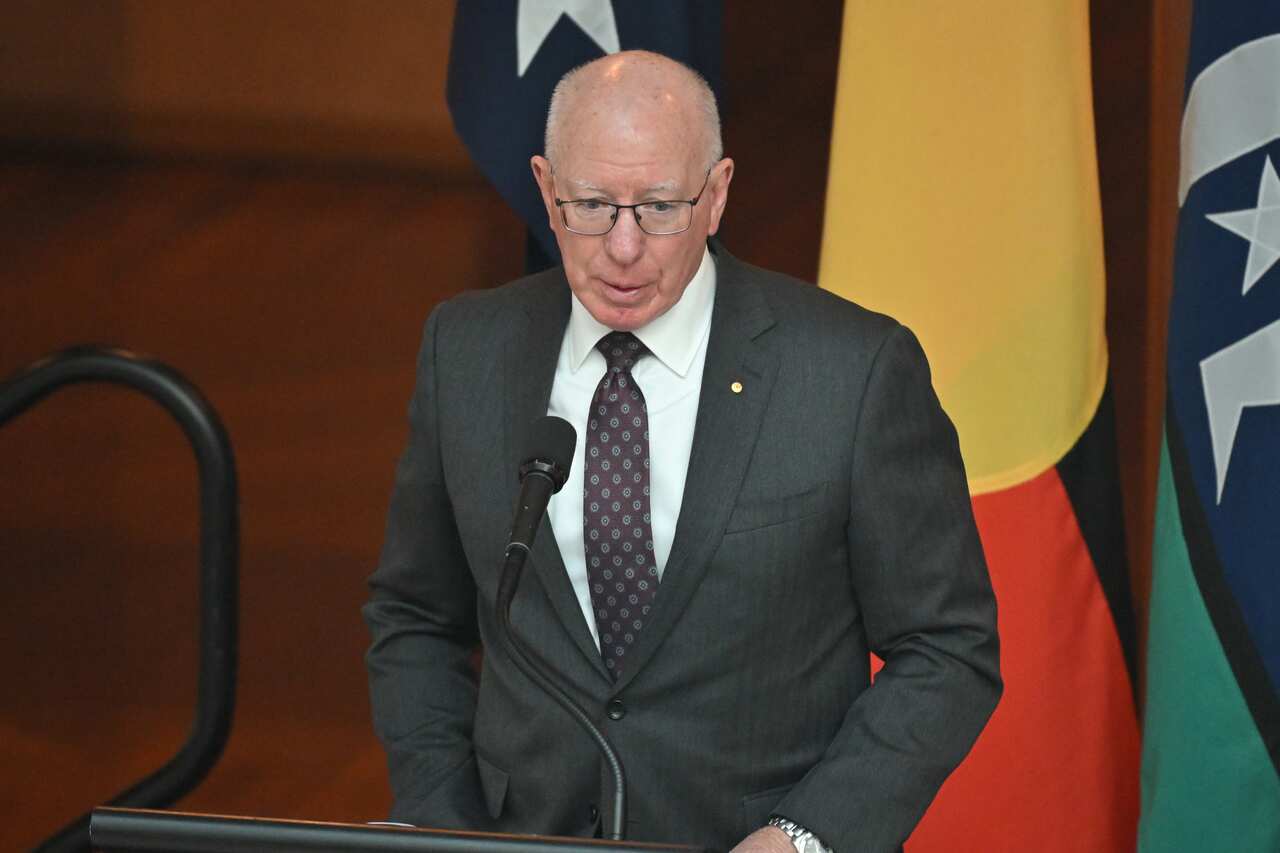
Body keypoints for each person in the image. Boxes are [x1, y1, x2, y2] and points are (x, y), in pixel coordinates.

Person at [364, 51, 1000, 853]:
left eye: (660, 207)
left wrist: (804, 836)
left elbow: (947, 645)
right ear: (545, 190)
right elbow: (415, 616)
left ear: (718, 194)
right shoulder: (465, 351)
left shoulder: (852, 372)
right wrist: (446, 827)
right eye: (592, 205)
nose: (624, 248)